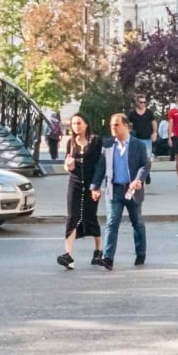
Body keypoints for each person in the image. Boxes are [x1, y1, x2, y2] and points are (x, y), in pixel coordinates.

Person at [91, 112, 153, 269]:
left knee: (137, 222)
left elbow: (145, 165)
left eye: (117, 125)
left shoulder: (138, 145)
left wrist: (138, 179)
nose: (113, 128)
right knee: (112, 223)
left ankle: (141, 252)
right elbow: (101, 167)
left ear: (126, 126)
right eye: (112, 125)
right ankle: (108, 258)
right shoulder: (108, 145)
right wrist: (95, 186)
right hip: (114, 190)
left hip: (132, 190)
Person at [58, 113, 104, 269]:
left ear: (86, 124)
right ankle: (68, 256)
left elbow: (100, 164)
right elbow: (66, 163)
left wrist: (97, 186)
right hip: (75, 182)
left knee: (91, 216)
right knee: (72, 217)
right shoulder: (71, 142)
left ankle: (98, 251)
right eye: (74, 123)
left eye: (79, 123)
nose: (76, 126)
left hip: (91, 183)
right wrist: (68, 167)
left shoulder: (95, 141)